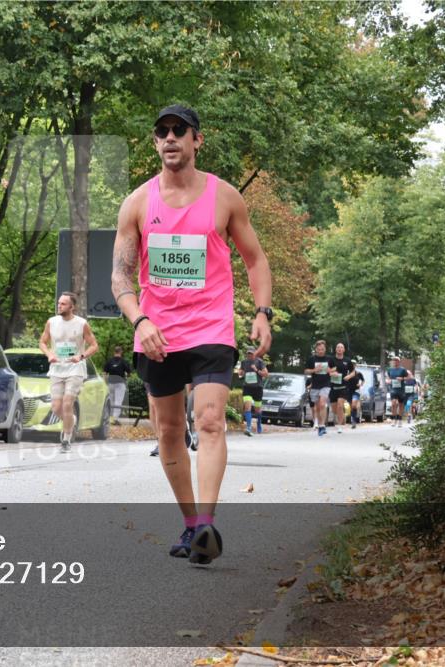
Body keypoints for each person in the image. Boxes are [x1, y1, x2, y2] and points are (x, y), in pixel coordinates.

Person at [111, 104, 273, 565]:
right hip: (157, 331)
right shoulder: (138, 203)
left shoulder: (224, 198)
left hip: (210, 326)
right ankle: (188, 524)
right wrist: (140, 320)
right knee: (167, 431)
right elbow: (120, 279)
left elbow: (255, 259)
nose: (169, 138)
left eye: (179, 131)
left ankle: (206, 525)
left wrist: (262, 313)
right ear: (155, 141)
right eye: (161, 131)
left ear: (197, 140)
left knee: (208, 420)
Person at [39, 292, 99, 452]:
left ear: (72, 307)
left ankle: (66, 439)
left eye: (63, 304)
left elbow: (94, 345)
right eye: (59, 303)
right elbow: (42, 342)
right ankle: (71, 419)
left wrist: (81, 356)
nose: (59, 306)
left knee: (67, 404)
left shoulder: (82, 324)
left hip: (75, 369)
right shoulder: (51, 322)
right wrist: (49, 354)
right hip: (57, 369)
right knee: (56, 407)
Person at [237, 346, 269, 436]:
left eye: (251, 353)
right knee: (247, 406)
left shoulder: (259, 362)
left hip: (257, 388)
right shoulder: (244, 362)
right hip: (247, 387)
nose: (249, 355)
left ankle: (259, 423)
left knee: (257, 410)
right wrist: (241, 373)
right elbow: (240, 372)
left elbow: (266, 374)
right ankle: (249, 427)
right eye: (248, 353)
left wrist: (256, 370)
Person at [328, 342, 356, 434]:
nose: (339, 349)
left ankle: (339, 426)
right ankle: (342, 416)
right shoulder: (331, 360)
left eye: (341, 347)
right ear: (336, 349)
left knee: (340, 405)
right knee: (334, 409)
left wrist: (349, 376)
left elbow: (353, 372)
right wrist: (332, 373)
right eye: (338, 347)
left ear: (344, 350)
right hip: (333, 387)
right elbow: (326, 371)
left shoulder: (347, 360)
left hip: (344, 387)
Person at [305, 340, 332, 437]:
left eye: (323, 349)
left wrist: (330, 370)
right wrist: (314, 370)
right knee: (317, 407)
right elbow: (306, 371)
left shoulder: (329, 359)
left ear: (325, 349)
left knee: (322, 404)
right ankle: (320, 425)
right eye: (319, 349)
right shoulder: (311, 359)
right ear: (316, 349)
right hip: (315, 385)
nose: (321, 351)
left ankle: (322, 425)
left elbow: (335, 370)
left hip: (326, 384)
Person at [103, 345, 133, 424]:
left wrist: (105, 382)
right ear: (121, 352)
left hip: (110, 384)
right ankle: (114, 419)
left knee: (111, 401)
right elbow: (130, 373)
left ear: (114, 352)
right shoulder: (123, 361)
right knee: (118, 401)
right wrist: (127, 378)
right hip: (120, 384)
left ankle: (109, 418)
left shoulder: (109, 361)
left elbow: (104, 373)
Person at [385, 356, 409, 427]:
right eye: (393, 360)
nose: (394, 362)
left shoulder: (403, 370)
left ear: (399, 362)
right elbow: (388, 378)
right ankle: (394, 419)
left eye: (396, 360)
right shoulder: (390, 370)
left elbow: (408, 377)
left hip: (401, 390)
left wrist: (402, 378)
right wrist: (388, 381)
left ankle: (400, 420)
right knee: (393, 404)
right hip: (393, 390)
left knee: (401, 405)